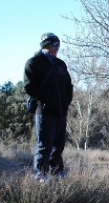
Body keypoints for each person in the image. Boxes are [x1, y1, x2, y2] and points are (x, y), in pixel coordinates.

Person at [23, 33, 73, 182]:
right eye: (55, 44)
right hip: (44, 112)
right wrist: (45, 100)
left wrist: (66, 102)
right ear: (46, 45)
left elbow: (68, 85)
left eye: (59, 44)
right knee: (44, 146)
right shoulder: (33, 62)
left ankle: (58, 174)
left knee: (59, 146)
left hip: (61, 112)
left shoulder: (60, 64)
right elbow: (29, 86)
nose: (58, 48)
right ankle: (41, 177)